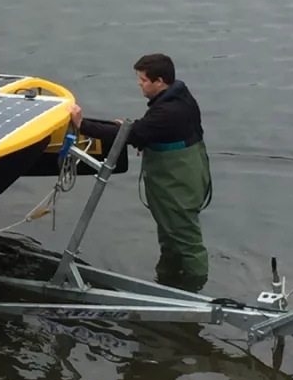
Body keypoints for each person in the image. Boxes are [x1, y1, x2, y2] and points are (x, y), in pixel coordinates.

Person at [67, 53, 212, 292]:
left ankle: (196, 291)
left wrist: (83, 125)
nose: (139, 84)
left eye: (144, 80)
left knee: (186, 238)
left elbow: (131, 135)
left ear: (160, 81)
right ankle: (167, 282)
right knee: (168, 231)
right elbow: (153, 131)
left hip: (178, 179)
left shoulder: (167, 111)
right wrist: (143, 136)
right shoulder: (179, 95)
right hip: (185, 169)